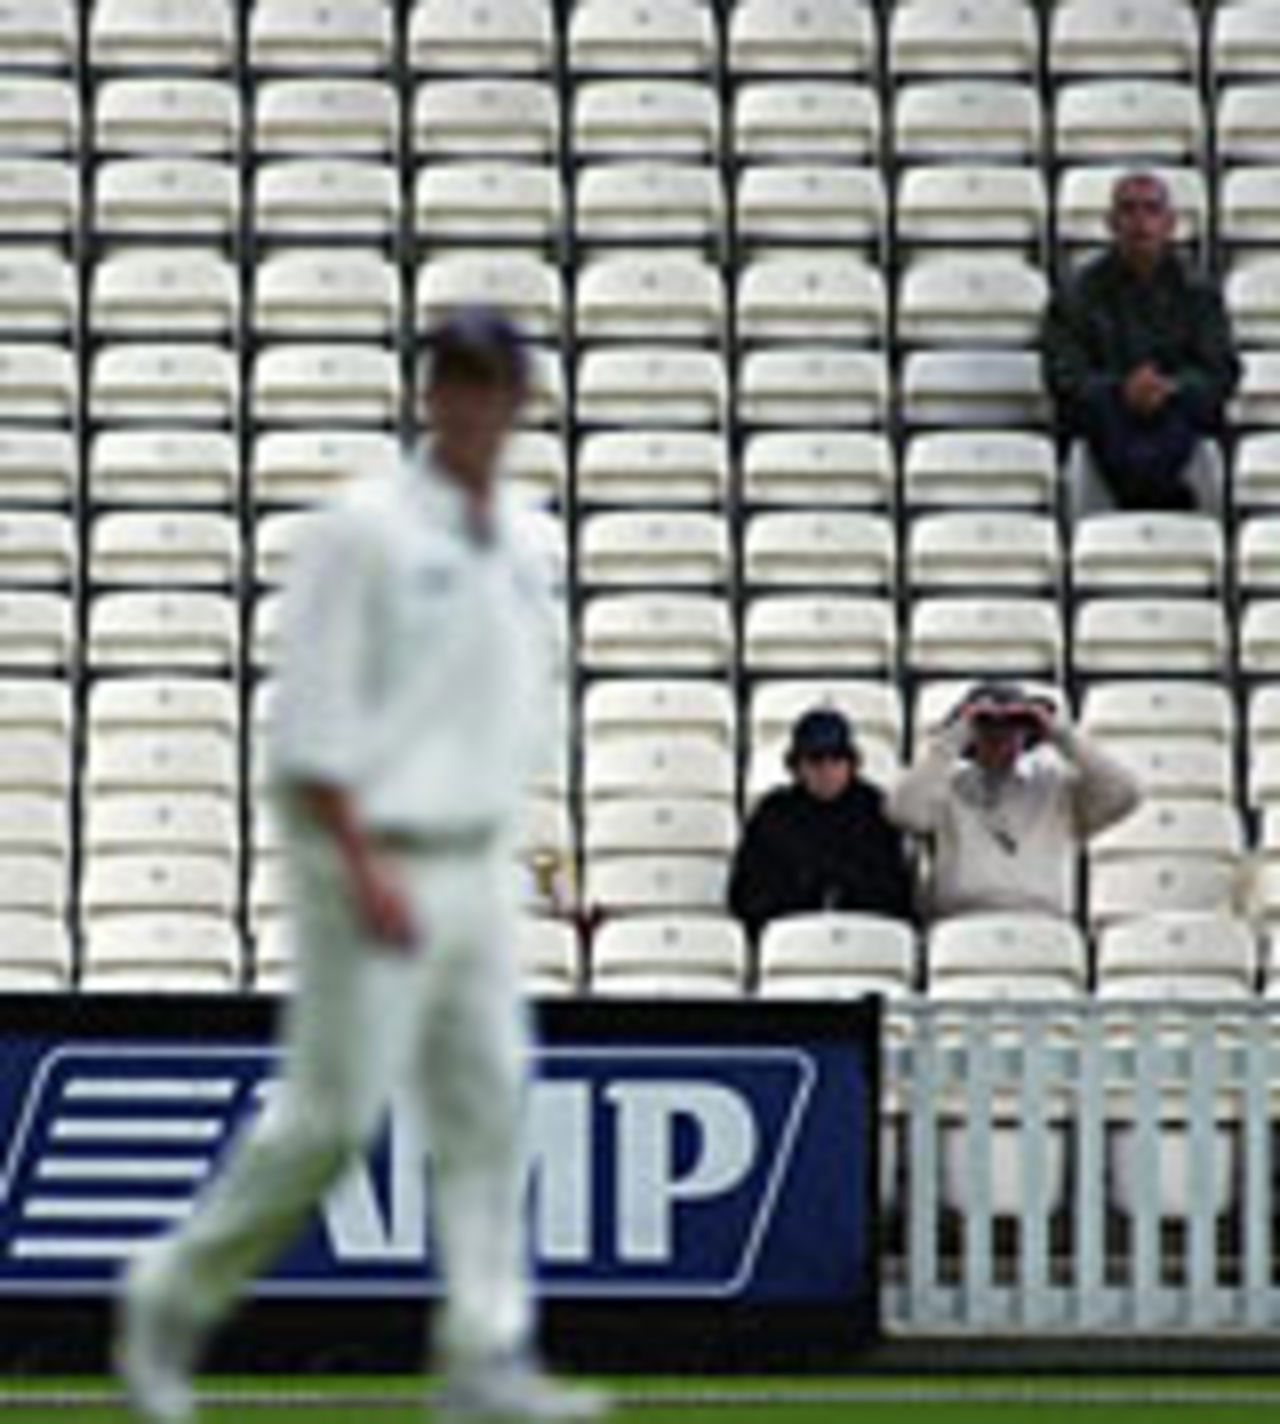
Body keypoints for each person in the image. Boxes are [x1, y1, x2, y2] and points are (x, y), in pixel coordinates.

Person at [115, 311, 605, 1424]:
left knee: (487, 1101)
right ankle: (169, 1296)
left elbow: (511, 708)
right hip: (370, 855)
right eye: (457, 383)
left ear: (518, 399)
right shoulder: (364, 531)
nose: (476, 405)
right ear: (430, 395)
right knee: (328, 1122)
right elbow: (312, 721)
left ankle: (483, 1352)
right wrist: (360, 862)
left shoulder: (529, 537)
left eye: (494, 385)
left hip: (476, 859)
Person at [1042, 170, 1241, 520]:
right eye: (1128, 210)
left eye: (1151, 210)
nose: (1140, 222)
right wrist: (1123, 390)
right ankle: (1156, 502)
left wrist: (1169, 388)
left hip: (1177, 424)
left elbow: (1222, 371)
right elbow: (1063, 375)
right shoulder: (1077, 294)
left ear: (1170, 223)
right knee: (1101, 416)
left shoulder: (1199, 295)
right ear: (1110, 223)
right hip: (1106, 426)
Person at [887, 683, 1141, 923]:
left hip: (1042, 923)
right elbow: (902, 811)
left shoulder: (1056, 788)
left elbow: (1125, 793)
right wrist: (953, 738)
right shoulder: (945, 788)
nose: (1000, 735)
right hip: (958, 924)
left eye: (1013, 724)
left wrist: (1061, 734)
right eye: (987, 725)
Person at [728, 708, 914, 942]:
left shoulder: (876, 812)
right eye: (815, 759)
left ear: (852, 763)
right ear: (796, 766)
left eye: (836, 758)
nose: (827, 770)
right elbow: (746, 896)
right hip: (791, 942)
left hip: (865, 941)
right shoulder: (772, 816)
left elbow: (896, 895)